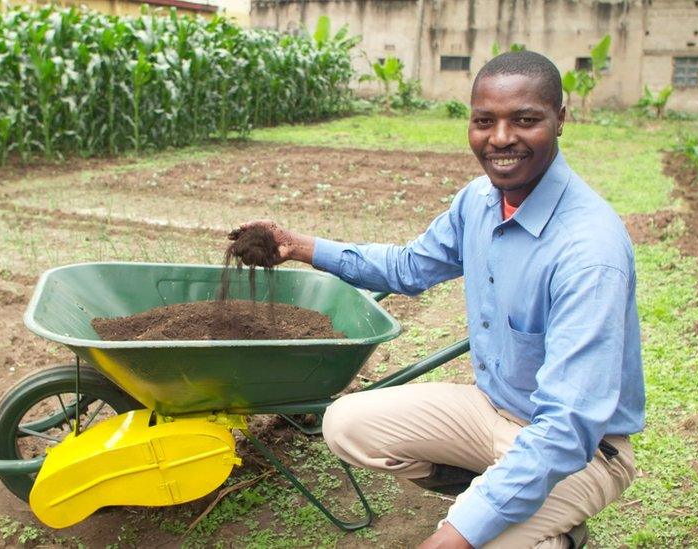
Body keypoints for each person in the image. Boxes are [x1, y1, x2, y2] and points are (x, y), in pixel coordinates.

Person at [238, 50, 644, 548]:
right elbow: (409, 266)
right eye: (484, 121)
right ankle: (513, 504)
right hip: (491, 410)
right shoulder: (478, 201)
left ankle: (546, 527)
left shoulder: (588, 251)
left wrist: (454, 536)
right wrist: (299, 246)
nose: (500, 139)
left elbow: (567, 427)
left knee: (477, 539)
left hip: (580, 451)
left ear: (560, 119)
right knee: (346, 424)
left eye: (525, 120)